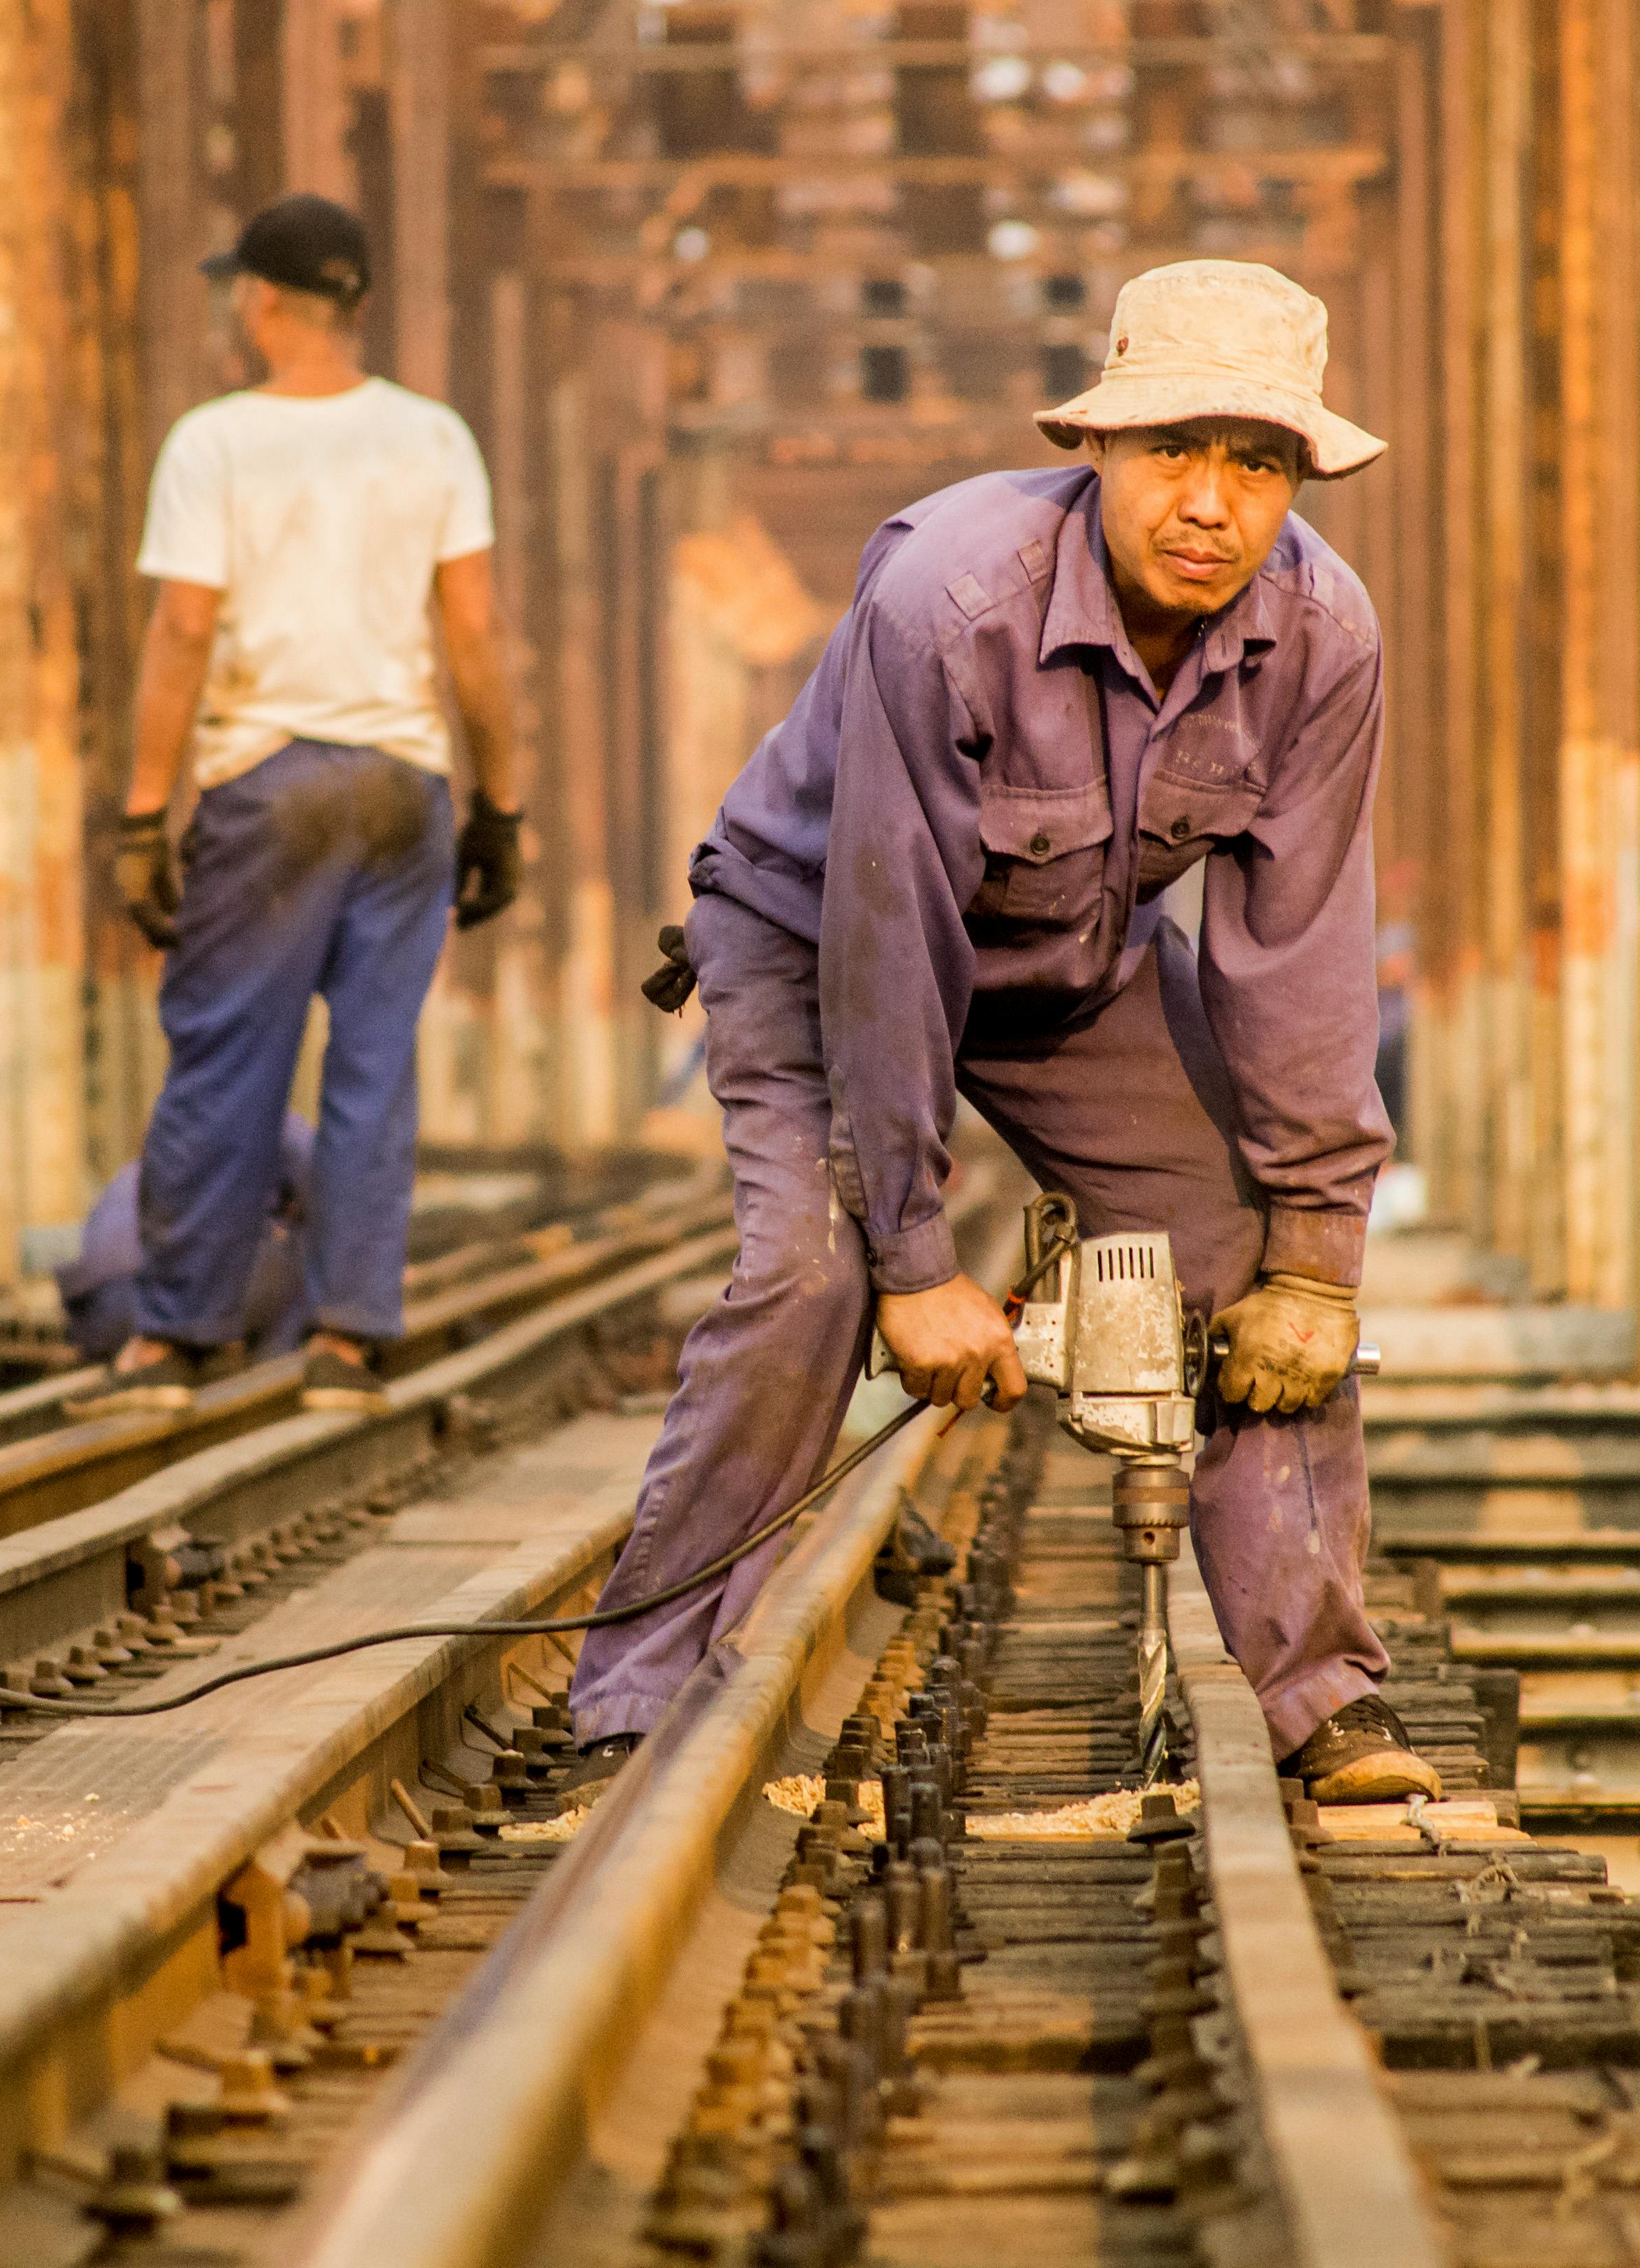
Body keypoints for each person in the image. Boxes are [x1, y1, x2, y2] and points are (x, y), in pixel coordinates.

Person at [564, 260, 1436, 1802]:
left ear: (1297, 479)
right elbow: (888, 940)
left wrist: (1318, 1249)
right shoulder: (949, 605)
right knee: (808, 1275)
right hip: (813, 937)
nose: (1210, 503)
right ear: (1095, 446)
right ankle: (634, 1702)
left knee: (1256, 1258)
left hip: (1069, 966)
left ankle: (1321, 1696)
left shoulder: (1322, 637)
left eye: (1257, 464)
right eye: (1172, 449)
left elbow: (1298, 949)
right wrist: (912, 1263)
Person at [80, 195, 525, 1419]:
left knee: (228, 1054)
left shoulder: (215, 444)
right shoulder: (434, 438)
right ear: (356, 304)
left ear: (263, 300)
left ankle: (177, 1339)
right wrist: (500, 804)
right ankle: (346, 1339)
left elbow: (183, 627)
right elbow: (475, 633)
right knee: (373, 1065)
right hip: (402, 786)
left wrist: (142, 813)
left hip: (270, 780)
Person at [54, 1117, 316, 1367]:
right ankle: (276, 1368)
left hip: (95, 1318)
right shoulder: (255, 1113)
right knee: (313, 1248)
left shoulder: (132, 1174)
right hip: (161, 1301)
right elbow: (321, 1178)